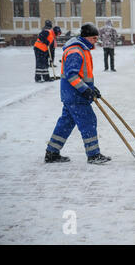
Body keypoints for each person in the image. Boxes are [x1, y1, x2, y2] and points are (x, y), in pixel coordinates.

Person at [44, 23, 111, 164]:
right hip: (76, 96)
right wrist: (85, 89)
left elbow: (82, 75)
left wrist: (92, 88)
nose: (95, 41)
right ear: (86, 37)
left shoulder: (82, 49)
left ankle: (52, 152)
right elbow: (72, 75)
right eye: (94, 38)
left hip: (72, 95)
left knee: (65, 123)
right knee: (89, 122)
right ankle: (93, 155)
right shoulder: (76, 51)